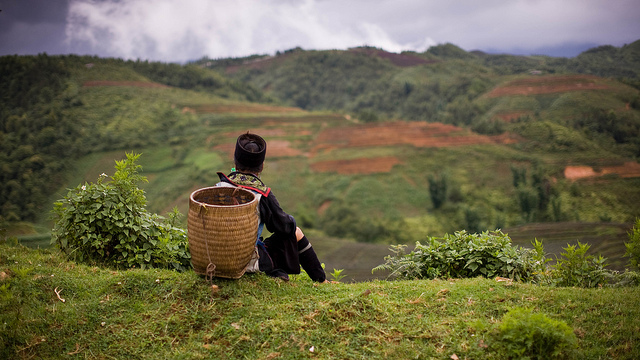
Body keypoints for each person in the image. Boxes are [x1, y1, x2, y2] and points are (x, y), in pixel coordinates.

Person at [216, 132, 328, 283]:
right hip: (244, 262)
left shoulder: (218, 188)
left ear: (235, 162)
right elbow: (285, 227)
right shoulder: (261, 195)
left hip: (213, 258)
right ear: (261, 167)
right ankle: (321, 279)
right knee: (295, 231)